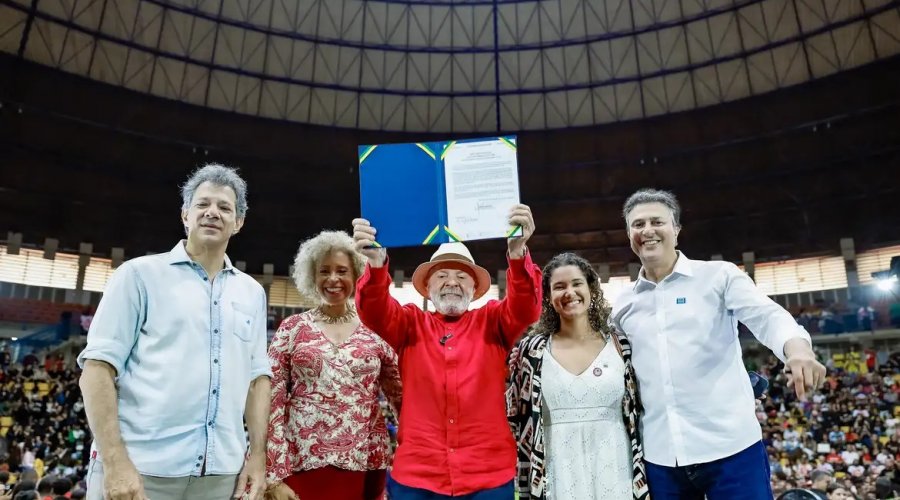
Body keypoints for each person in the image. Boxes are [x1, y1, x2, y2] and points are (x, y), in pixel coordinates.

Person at [611, 188, 827, 500]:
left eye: (657, 221)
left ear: (676, 230)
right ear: (629, 233)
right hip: (660, 456)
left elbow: (767, 316)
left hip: (731, 449)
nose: (647, 231)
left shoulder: (718, 276)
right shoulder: (623, 304)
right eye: (637, 224)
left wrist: (797, 350)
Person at [77, 164, 272, 500]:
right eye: (203, 204)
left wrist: (257, 456)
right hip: (140, 470)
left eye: (225, 207)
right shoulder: (138, 275)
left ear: (238, 223)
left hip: (220, 476)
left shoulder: (252, 292)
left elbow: (257, 379)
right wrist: (115, 461)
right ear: (185, 215)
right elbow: (96, 370)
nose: (213, 212)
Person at [351, 204, 541, 499]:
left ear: (475, 288)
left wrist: (517, 254)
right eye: (442, 275)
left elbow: (526, 307)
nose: (452, 282)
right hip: (418, 477)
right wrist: (376, 265)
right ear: (427, 287)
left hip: (486, 477)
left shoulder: (493, 321)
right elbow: (373, 311)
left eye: (462, 276)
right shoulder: (410, 323)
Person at [264, 231, 402, 500]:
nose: (333, 279)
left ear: (358, 274)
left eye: (342, 271)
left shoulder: (377, 328)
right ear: (312, 276)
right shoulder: (292, 328)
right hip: (299, 461)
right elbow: (272, 401)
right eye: (324, 271)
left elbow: (402, 399)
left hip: (363, 462)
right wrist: (273, 471)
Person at [506, 252, 650, 499]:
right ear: (549, 297)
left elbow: (638, 411)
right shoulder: (530, 351)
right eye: (559, 287)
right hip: (557, 471)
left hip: (616, 467)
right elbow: (515, 418)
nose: (569, 292)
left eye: (576, 283)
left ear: (591, 288)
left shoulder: (621, 345)